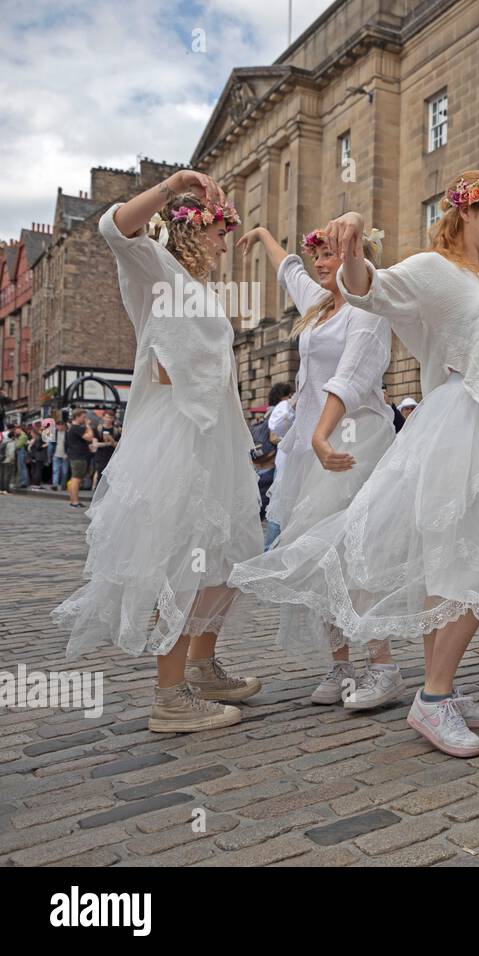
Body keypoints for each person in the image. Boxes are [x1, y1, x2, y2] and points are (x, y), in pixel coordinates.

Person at [228, 170, 479, 758]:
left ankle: (436, 690)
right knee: (478, 562)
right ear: (467, 214)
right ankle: (434, 697)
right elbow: (370, 289)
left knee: (453, 564)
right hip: (461, 423)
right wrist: (348, 250)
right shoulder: (432, 268)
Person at [50, 168, 263, 733]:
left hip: (216, 436)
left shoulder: (198, 289)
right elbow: (113, 229)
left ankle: (199, 665)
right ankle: (169, 696)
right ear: (193, 231)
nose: (225, 244)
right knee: (179, 558)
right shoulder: (155, 269)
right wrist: (174, 186)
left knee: (225, 557)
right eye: (220, 232)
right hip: (176, 435)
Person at [231, 222, 400, 709]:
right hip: (313, 446)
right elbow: (289, 271)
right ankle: (342, 665)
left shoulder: (369, 309)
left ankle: (383, 666)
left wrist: (325, 435)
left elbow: (350, 377)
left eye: (331, 255)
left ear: (354, 258)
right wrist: (263, 235)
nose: (321, 264)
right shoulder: (320, 306)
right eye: (317, 256)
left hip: (353, 441)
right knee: (323, 558)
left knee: (355, 553)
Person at [259, 381, 295, 548]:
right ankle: (269, 552)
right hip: (281, 462)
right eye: (288, 395)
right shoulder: (282, 409)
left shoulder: (272, 410)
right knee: (277, 507)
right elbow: (274, 435)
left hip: (280, 461)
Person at [64, 409, 94, 509]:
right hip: (78, 456)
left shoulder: (73, 428)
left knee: (75, 478)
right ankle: (75, 501)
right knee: (76, 479)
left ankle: (74, 500)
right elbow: (89, 437)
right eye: (83, 417)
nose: (85, 419)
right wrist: (88, 426)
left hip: (76, 455)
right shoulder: (76, 427)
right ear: (77, 417)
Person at [90, 409, 119, 491]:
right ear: (103, 418)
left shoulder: (116, 430)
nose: (108, 420)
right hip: (101, 456)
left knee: (112, 477)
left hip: (112, 457)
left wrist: (111, 439)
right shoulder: (98, 429)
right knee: (101, 475)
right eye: (106, 417)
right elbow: (95, 444)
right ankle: (98, 493)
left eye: (110, 418)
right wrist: (108, 443)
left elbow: (118, 445)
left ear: (113, 419)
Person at [51, 420, 69, 492]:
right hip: (56, 454)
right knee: (55, 470)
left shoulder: (67, 434)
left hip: (65, 454)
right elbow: (52, 443)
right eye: (58, 425)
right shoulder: (54, 433)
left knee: (64, 471)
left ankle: (63, 485)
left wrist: (67, 453)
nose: (60, 427)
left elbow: (69, 444)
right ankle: (55, 485)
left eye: (61, 425)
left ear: (64, 426)